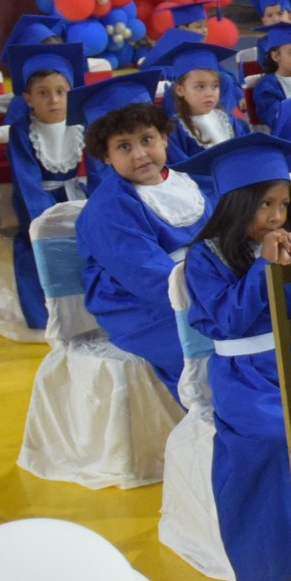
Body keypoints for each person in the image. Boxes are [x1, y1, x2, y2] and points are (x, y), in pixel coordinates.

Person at [172, 133, 291, 581]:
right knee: (272, 439)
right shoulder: (204, 257)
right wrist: (263, 270)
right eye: (265, 204)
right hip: (243, 374)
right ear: (235, 203)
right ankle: (278, 565)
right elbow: (228, 321)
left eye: (283, 204)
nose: (277, 217)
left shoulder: (285, 243)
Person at [70, 70, 211, 398]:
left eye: (147, 139)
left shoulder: (193, 180)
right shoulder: (108, 209)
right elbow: (144, 273)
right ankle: (216, 413)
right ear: (106, 156)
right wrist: (215, 293)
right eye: (123, 146)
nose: (140, 154)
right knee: (210, 339)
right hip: (138, 301)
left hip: (202, 284)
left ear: (164, 137)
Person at [0, 40, 86, 332]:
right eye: (43, 93)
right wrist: (47, 220)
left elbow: (99, 173)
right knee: (36, 245)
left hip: (79, 198)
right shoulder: (22, 132)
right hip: (40, 203)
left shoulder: (83, 126)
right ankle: (46, 316)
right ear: (27, 98)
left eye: (61, 92)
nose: (54, 100)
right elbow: (27, 183)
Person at [150, 39, 249, 165]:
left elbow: (244, 152)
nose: (209, 93)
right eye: (200, 87)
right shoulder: (176, 131)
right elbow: (181, 167)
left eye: (215, 86)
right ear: (180, 90)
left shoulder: (228, 121)